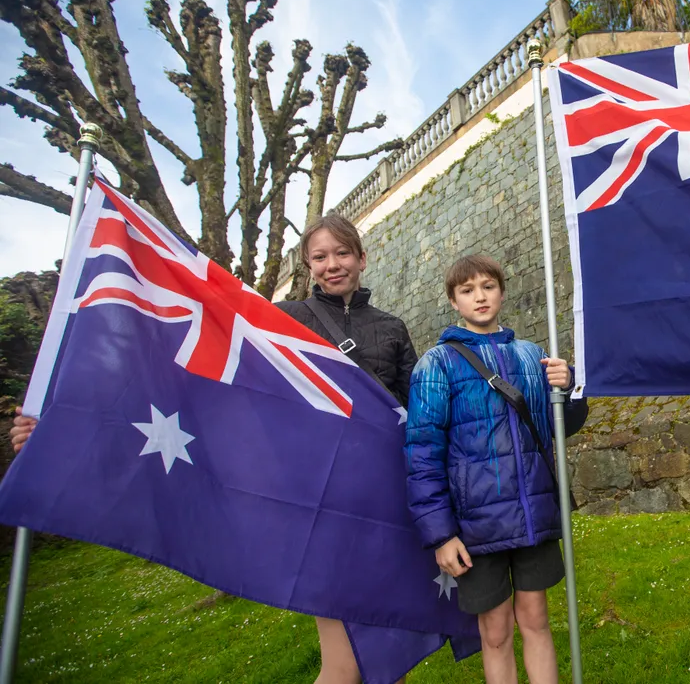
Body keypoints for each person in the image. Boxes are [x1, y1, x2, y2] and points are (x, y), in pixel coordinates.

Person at [9, 213, 416, 684]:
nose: (332, 265)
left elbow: (417, 413)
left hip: (384, 500)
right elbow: (194, 378)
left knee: (391, 648)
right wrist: (55, 421)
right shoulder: (282, 319)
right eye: (320, 257)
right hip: (319, 504)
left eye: (342, 253)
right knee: (344, 663)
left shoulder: (391, 328)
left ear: (362, 259)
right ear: (307, 266)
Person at [404, 254, 587, 684]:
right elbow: (422, 453)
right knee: (496, 631)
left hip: (531, 515)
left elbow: (561, 428)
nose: (480, 296)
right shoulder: (437, 364)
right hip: (476, 526)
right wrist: (441, 534)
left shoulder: (531, 356)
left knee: (536, 620)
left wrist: (569, 386)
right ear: (453, 301)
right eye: (467, 290)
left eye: (487, 286)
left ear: (502, 292)